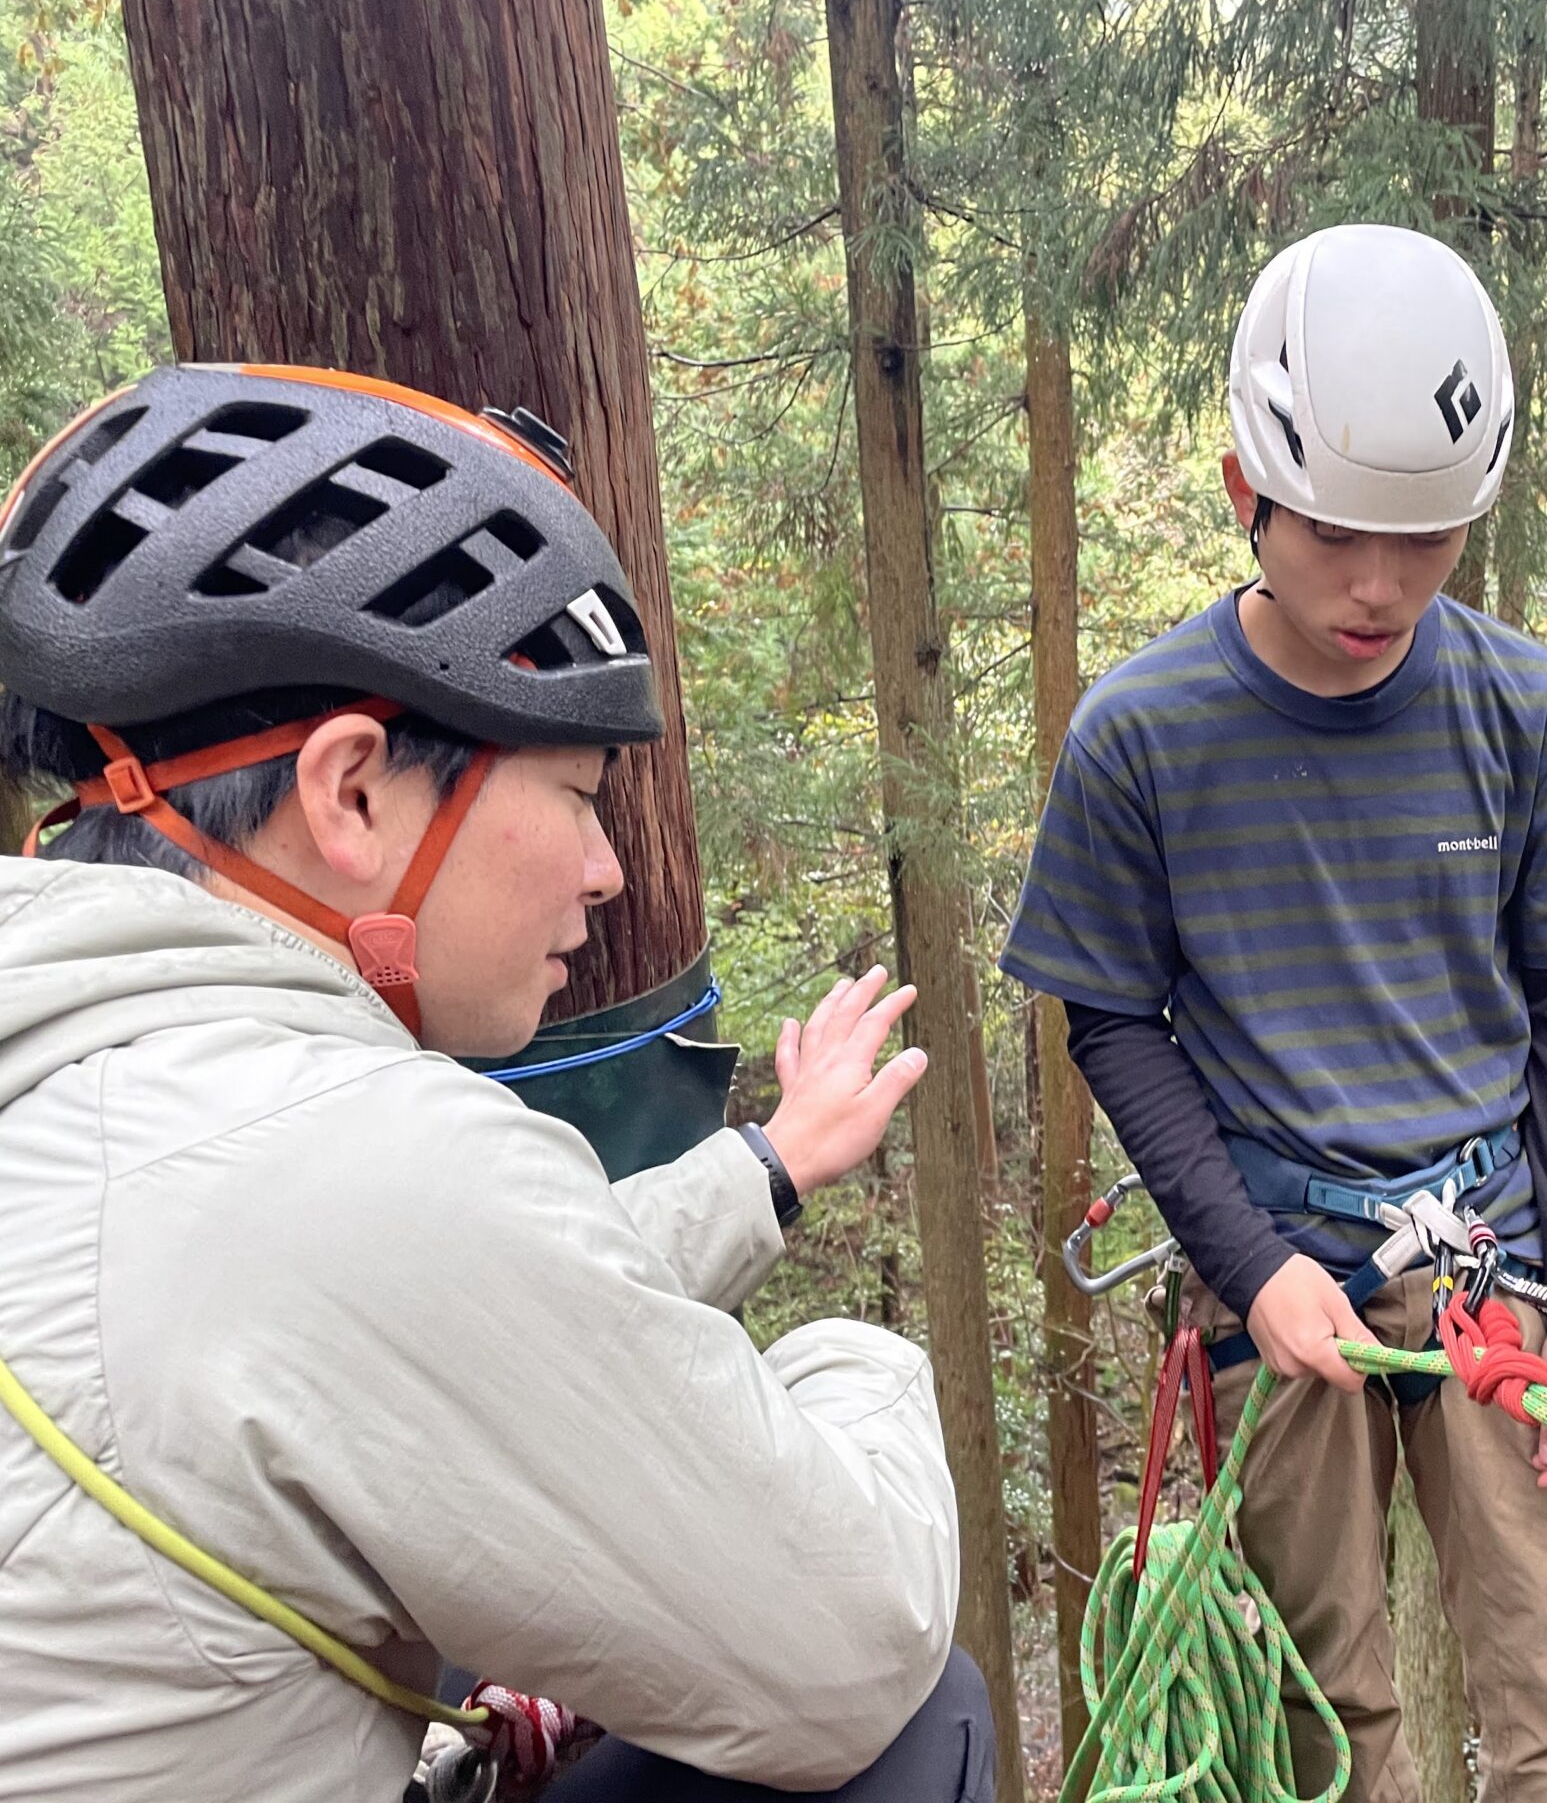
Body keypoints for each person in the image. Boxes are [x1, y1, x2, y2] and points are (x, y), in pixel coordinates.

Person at [0, 364, 990, 1803]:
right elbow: (854, 1642)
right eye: (582, 800)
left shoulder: (99, 1062)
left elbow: (474, 1308)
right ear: (350, 793)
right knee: (919, 1723)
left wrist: (766, 1167)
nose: (609, 873)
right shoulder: (346, 1158)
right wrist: (858, 1364)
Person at [1003, 223, 1547, 1803]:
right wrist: (1252, 1266)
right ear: (1246, 494)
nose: (1379, 589)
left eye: (1426, 545)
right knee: (1325, 1720)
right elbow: (1114, 1022)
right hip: (1283, 1278)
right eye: (1335, 535)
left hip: (1495, 1263)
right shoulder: (1141, 737)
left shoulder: (1530, 714)